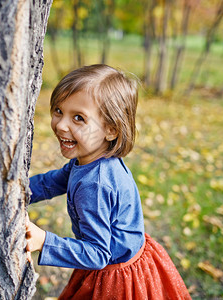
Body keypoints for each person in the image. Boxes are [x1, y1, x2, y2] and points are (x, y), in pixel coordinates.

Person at [26, 64, 191, 299]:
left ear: (111, 130)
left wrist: (44, 241)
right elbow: (52, 182)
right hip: (126, 259)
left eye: (79, 118)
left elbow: (97, 254)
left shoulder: (96, 184)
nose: (61, 125)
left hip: (115, 278)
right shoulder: (89, 160)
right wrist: (19, 192)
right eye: (58, 110)